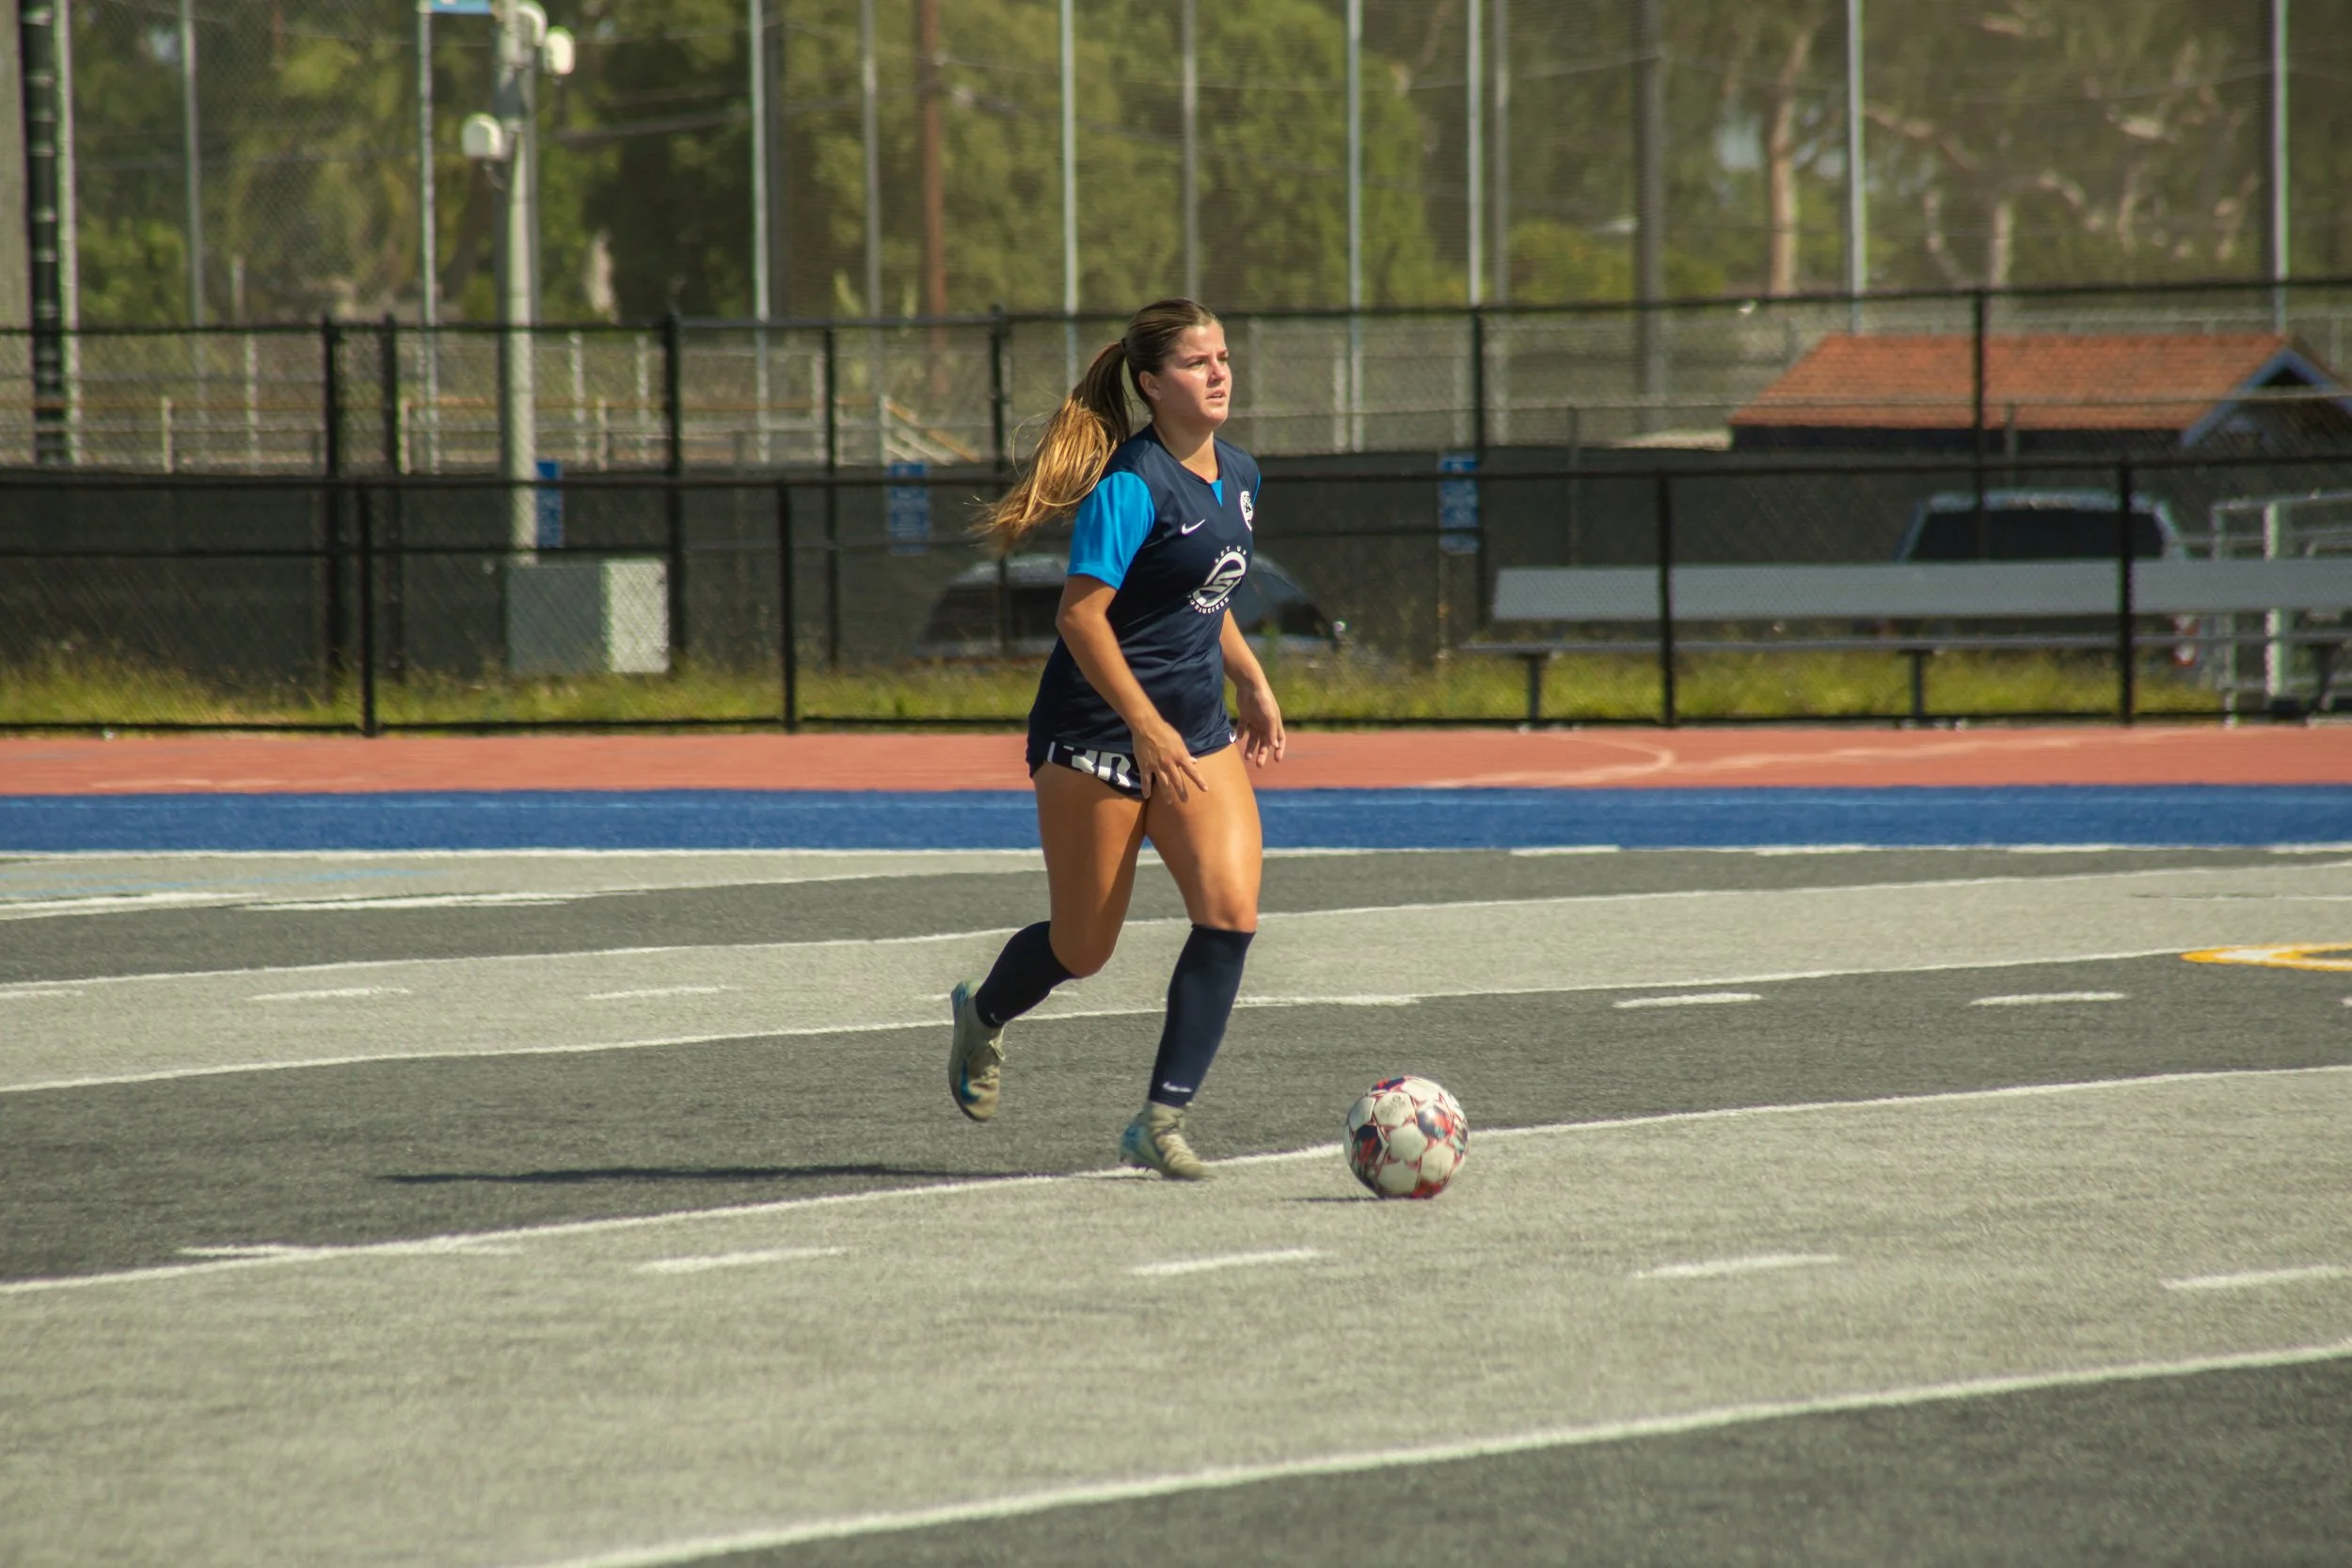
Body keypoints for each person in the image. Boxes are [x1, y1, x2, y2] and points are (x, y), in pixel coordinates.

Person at [946, 297, 1284, 1180]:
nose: (1218, 373)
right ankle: (983, 1012)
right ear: (1150, 384)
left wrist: (1249, 678)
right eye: (1196, 362)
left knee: (1231, 914)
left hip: (1193, 734)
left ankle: (1160, 1119)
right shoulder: (1130, 484)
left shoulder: (1242, 475)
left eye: (1222, 357)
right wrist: (1143, 723)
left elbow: (1202, 594)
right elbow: (1081, 618)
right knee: (1082, 948)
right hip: (1096, 733)